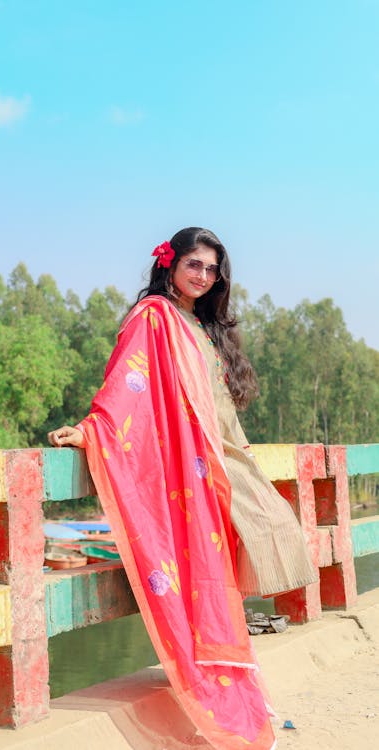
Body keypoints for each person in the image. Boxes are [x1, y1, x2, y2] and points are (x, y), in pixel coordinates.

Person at [48, 227, 317, 749]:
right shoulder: (154, 317)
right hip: (184, 472)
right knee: (197, 577)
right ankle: (207, 683)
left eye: (212, 268)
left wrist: (242, 465)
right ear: (169, 264)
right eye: (194, 264)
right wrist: (93, 429)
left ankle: (226, 679)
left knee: (272, 529)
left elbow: (217, 409)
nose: (203, 276)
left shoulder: (202, 326)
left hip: (215, 467)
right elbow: (130, 384)